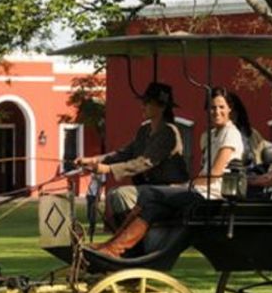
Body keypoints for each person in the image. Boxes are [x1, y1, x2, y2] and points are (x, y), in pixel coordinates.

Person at [88, 87, 245, 258]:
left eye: (221, 107)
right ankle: (116, 247)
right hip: (197, 191)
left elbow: (214, 174)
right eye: (213, 107)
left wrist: (185, 185)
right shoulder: (212, 134)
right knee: (152, 206)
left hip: (210, 197)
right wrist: (96, 160)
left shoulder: (230, 134)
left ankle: (115, 249)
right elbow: (125, 152)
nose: (217, 111)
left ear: (230, 108)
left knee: (150, 193)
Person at [75, 82, 189, 226]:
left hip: (169, 189)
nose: (143, 106)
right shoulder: (145, 130)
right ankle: (126, 238)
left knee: (120, 194)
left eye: (147, 102)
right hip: (150, 188)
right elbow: (124, 153)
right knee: (112, 194)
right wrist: (92, 160)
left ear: (161, 107)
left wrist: (108, 169)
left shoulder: (169, 132)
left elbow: (145, 162)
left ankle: (133, 240)